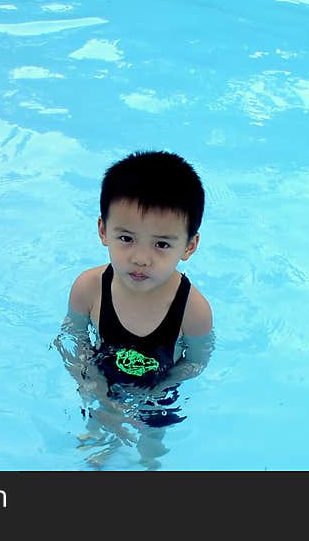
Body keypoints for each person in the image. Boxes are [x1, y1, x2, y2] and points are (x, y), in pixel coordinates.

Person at [53, 150, 214, 469]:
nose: (141, 258)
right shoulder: (89, 288)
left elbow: (195, 363)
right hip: (102, 373)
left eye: (162, 244)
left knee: (153, 441)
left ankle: (149, 462)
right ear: (103, 231)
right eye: (126, 238)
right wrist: (93, 385)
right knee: (96, 430)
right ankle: (97, 454)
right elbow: (71, 339)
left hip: (159, 386)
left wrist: (155, 393)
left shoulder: (193, 310)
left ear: (189, 246)